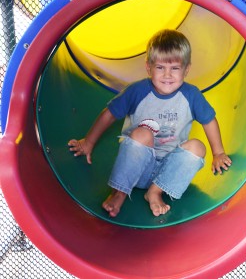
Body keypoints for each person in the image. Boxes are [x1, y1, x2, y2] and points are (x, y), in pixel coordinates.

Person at [68, 29, 232, 218]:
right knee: (143, 134)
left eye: (175, 68)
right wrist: (88, 142)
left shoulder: (191, 95)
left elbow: (209, 120)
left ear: (186, 70)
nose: (167, 75)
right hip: (136, 167)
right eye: (160, 67)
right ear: (149, 68)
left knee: (197, 147)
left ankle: (155, 191)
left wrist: (218, 152)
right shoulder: (137, 91)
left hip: (169, 170)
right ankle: (120, 191)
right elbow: (109, 115)